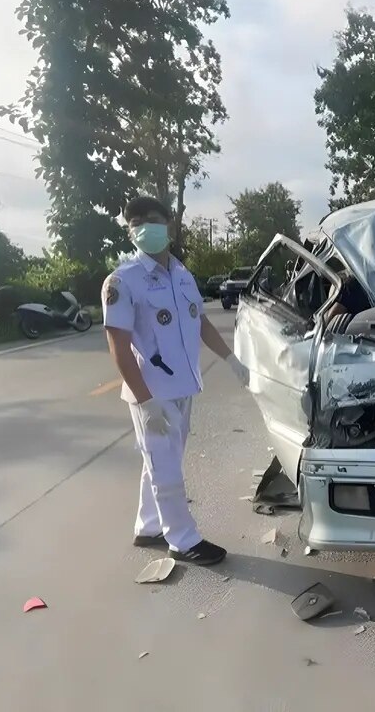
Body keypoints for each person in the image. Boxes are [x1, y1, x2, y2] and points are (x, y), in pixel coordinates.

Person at [102, 196, 250, 566]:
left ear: (168, 225)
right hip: (152, 392)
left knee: (162, 460)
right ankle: (182, 539)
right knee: (165, 467)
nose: (145, 227)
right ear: (130, 230)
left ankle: (148, 525)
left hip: (184, 386)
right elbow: (118, 346)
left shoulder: (182, 275)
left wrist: (231, 358)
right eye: (137, 222)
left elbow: (199, 323)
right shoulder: (122, 281)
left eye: (153, 219)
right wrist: (145, 400)